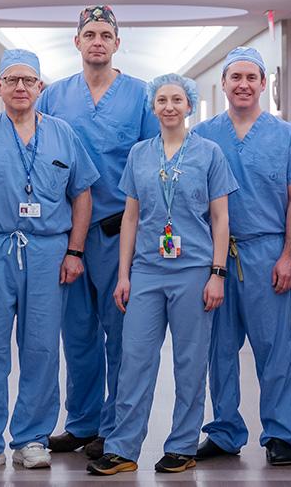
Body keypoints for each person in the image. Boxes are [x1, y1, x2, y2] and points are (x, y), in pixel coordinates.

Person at [0, 49, 99, 471]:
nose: (20, 87)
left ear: (40, 88)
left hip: (49, 251)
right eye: (11, 80)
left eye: (28, 81)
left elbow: (82, 194)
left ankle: (32, 438)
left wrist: (74, 250)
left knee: (41, 348)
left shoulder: (63, 135)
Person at [86, 74, 238, 476]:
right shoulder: (139, 154)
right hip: (148, 272)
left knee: (190, 362)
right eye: (161, 100)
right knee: (134, 359)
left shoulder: (209, 154)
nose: (169, 106)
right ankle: (122, 447)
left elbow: (221, 218)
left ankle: (182, 445)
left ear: (190, 105)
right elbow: (131, 218)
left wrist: (217, 273)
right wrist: (124, 275)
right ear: (153, 108)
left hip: (193, 270)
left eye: (177, 99)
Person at [36, 5, 160, 459]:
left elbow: (152, 165)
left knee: (122, 334)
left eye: (106, 34)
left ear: (117, 43)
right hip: (67, 236)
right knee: (77, 334)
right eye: (90, 33)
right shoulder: (54, 98)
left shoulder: (141, 96)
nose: (98, 41)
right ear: (77, 41)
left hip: (116, 235)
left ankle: (114, 426)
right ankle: (82, 422)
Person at [191, 47, 291, 466]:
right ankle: (224, 431)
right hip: (216, 257)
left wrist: (288, 256)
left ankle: (279, 434)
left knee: (274, 347)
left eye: (251, 77)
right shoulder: (202, 135)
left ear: (264, 84)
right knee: (219, 349)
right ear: (222, 84)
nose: (243, 84)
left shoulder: (287, 136)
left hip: (266, 252)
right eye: (235, 77)